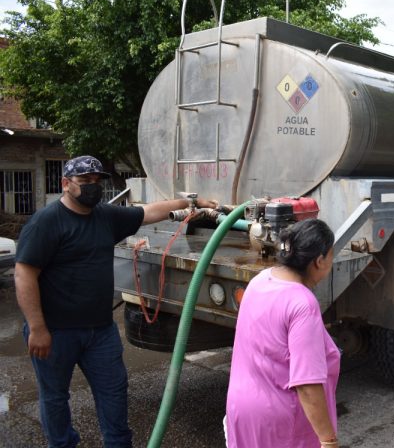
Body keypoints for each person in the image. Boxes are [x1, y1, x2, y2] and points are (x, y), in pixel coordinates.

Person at [14, 155, 218, 447]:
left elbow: (147, 212)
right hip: (55, 331)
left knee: (113, 391)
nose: (92, 188)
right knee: (55, 397)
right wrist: (37, 328)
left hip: (100, 331)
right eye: (85, 182)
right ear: (66, 184)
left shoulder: (105, 216)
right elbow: (24, 274)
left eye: (97, 182)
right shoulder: (47, 222)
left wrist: (186, 204)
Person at [225, 219, 340, 448]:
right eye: (330, 256)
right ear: (318, 261)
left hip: (241, 410)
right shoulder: (302, 304)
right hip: (280, 425)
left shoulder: (260, 280)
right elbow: (307, 386)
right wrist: (329, 441)